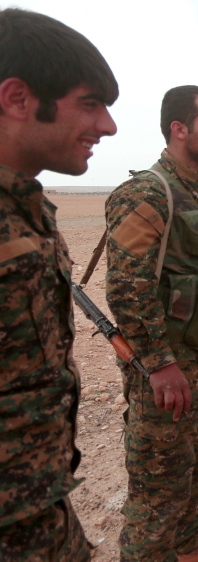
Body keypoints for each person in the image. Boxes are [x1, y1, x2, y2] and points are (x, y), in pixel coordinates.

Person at [104, 86, 198, 561]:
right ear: (178, 129)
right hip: (168, 369)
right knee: (158, 488)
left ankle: (188, 537)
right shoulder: (148, 193)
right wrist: (160, 363)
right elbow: (127, 286)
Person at [0, 9, 118, 560]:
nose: (107, 127)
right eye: (89, 104)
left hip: (42, 515)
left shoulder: (28, 209)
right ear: (18, 99)